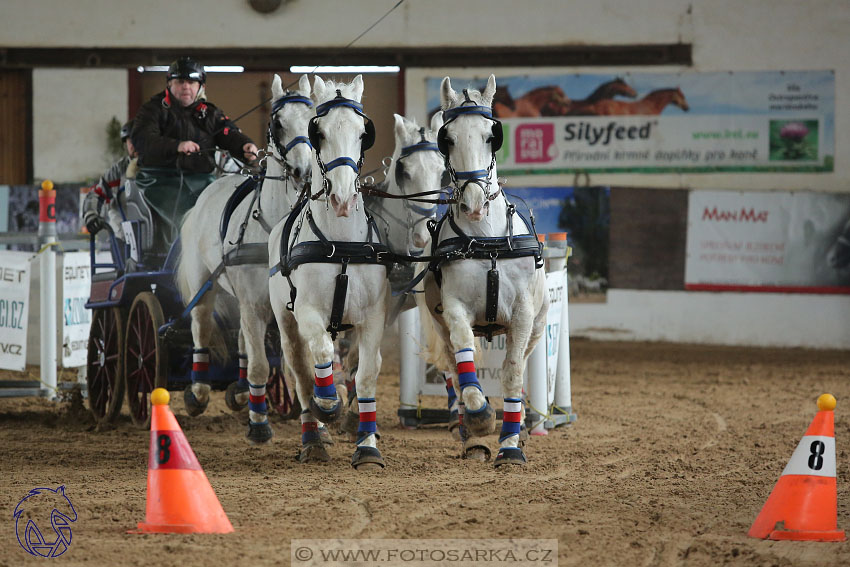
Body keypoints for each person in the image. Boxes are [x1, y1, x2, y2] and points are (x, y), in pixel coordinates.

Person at [131, 56, 258, 250]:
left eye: (191, 82)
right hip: (159, 181)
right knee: (185, 218)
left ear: (201, 87)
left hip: (203, 180)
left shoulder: (209, 112)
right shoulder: (152, 109)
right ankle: (177, 264)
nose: (186, 87)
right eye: (181, 81)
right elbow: (143, 139)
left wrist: (245, 146)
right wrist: (177, 145)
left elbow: (226, 132)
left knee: (228, 210)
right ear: (170, 83)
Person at [82, 120, 138, 238]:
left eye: (140, 139)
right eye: (130, 141)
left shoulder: (160, 169)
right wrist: (91, 216)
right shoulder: (117, 172)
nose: (135, 144)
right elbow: (96, 194)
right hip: (123, 237)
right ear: (126, 144)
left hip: (155, 238)